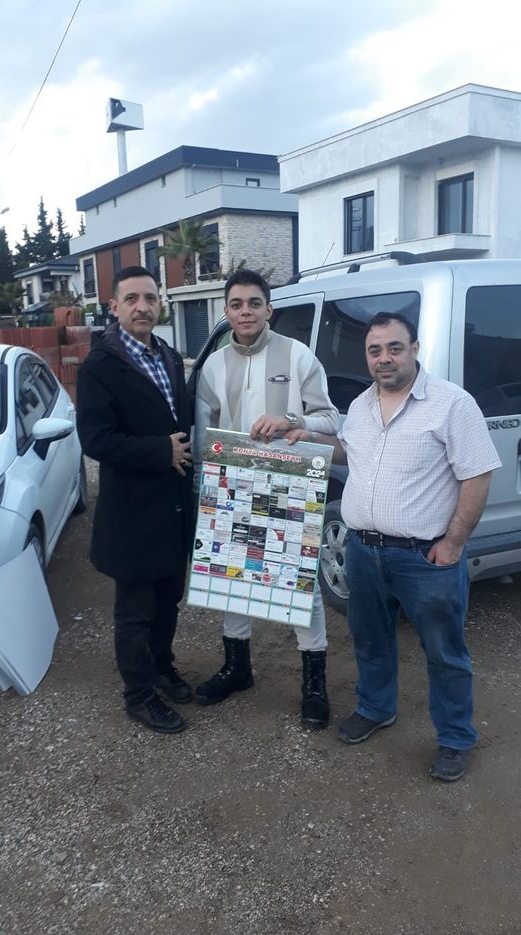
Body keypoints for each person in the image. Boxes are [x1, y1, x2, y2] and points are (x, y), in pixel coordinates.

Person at [288, 312, 501, 780]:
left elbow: (478, 474)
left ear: (415, 349)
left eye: (394, 348)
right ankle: (376, 707)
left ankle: (454, 737)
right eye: (375, 350)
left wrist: (453, 543)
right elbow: (350, 450)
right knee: (369, 638)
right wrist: (310, 438)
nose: (384, 358)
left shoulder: (451, 404)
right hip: (363, 551)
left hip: (425, 558)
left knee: (444, 651)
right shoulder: (362, 404)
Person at [193, 269, 339, 728]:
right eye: (237, 304)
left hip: (289, 485)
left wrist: (291, 420)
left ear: (269, 309)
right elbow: (203, 434)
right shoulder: (213, 367)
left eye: (254, 303)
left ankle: (313, 684)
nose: (246, 312)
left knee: (300, 585)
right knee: (232, 578)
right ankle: (237, 668)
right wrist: (204, 487)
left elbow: (330, 419)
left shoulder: (298, 355)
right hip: (232, 485)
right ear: (226, 311)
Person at [76, 266, 194, 734]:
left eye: (150, 298)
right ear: (114, 307)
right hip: (132, 513)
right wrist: (160, 451)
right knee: (135, 612)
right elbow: (95, 439)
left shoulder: (169, 355)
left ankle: (161, 667)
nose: (142, 307)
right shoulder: (100, 365)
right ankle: (139, 696)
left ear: (160, 303)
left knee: (169, 601)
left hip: (173, 507)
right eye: (131, 299)